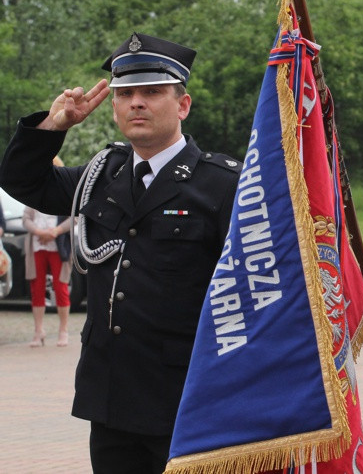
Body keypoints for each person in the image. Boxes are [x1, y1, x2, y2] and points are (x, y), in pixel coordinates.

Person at [0, 32, 241, 473]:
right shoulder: (100, 174)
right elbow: (22, 181)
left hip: (185, 398)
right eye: (125, 93)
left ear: (182, 105)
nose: (136, 103)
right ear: (113, 107)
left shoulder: (222, 185)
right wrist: (55, 126)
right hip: (110, 396)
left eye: (152, 92)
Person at [23, 157, 74, 347]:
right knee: (37, 288)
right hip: (37, 245)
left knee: (61, 288)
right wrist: (39, 232)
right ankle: (38, 330)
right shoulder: (34, 190)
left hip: (58, 246)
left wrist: (55, 231)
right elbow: (26, 218)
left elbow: (74, 217)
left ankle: (64, 330)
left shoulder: (64, 191)